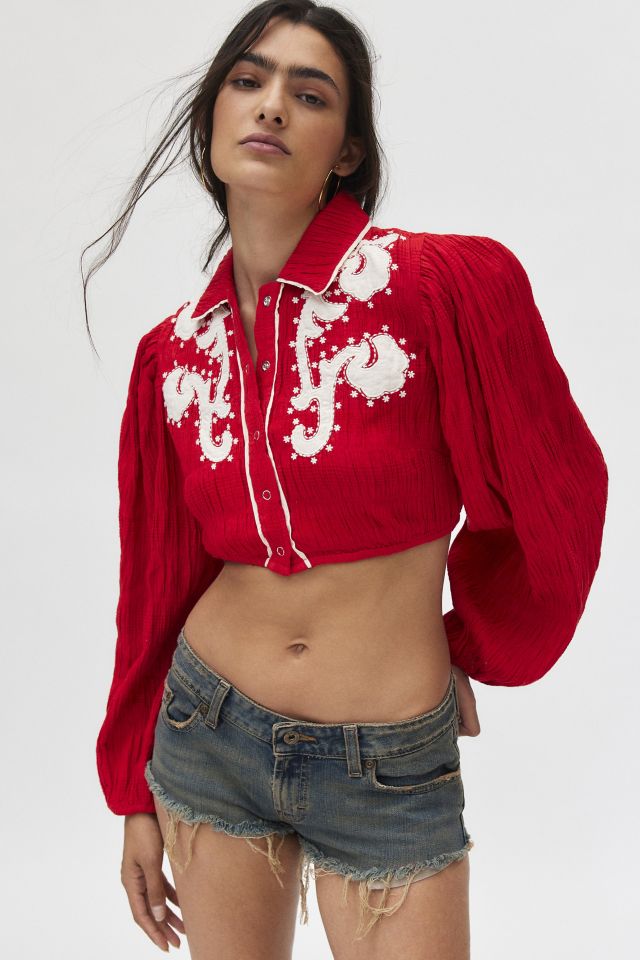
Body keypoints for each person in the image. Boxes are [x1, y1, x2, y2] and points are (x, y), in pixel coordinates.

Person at [88, 1, 609, 956]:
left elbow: (560, 494)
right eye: (248, 81)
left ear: (348, 152)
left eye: (310, 93)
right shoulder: (171, 355)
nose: (271, 106)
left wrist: (465, 643)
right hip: (206, 732)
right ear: (212, 120)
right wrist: (132, 789)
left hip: (389, 760)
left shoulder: (441, 288)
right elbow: (153, 584)